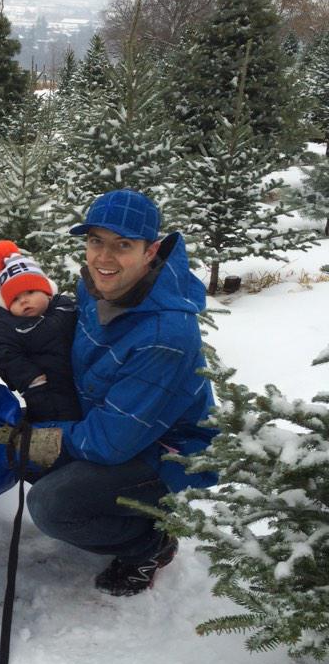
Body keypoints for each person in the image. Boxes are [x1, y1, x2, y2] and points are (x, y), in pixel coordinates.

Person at [26, 188, 217, 596]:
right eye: (96, 241)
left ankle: (149, 544)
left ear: (150, 252)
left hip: (167, 448)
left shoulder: (165, 336)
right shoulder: (96, 289)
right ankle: (116, 508)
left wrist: (46, 433)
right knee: (27, 457)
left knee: (52, 504)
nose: (104, 258)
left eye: (123, 245)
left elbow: (111, 443)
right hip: (116, 420)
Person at [0, 240, 81, 424]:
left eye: (30, 292)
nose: (24, 301)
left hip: (81, 383)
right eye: (15, 299)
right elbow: (5, 355)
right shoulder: (7, 327)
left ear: (46, 292)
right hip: (44, 392)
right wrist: (32, 381)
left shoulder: (66, 307)